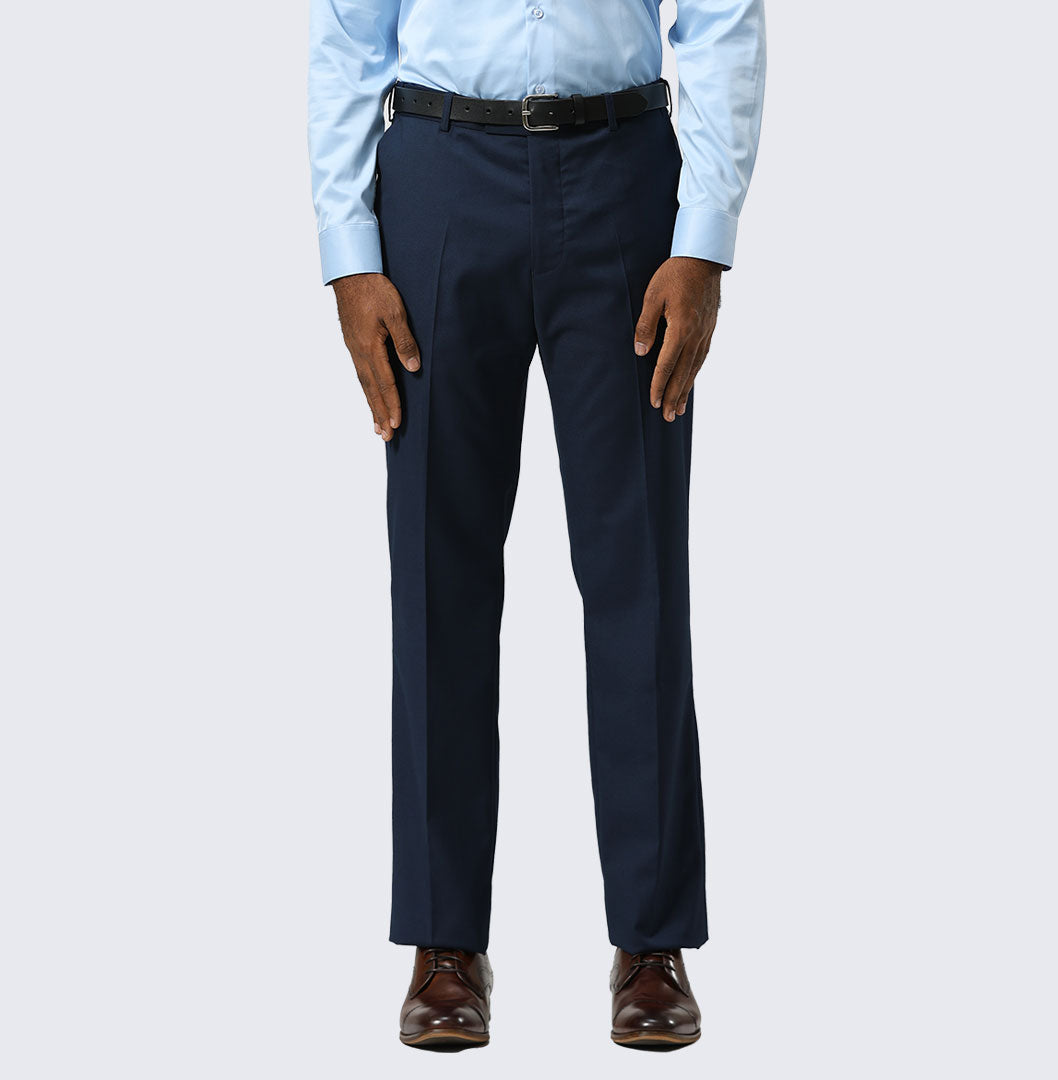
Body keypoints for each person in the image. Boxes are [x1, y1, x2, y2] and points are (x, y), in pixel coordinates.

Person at [308, 0, 766, 1052]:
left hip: (623, 178)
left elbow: (722, 17)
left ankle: (652, 943)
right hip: (439, 175)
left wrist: (705, 237)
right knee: (438, 575)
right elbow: (345, 31)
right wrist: (348, 250)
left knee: (640, 570)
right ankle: (443, 944)